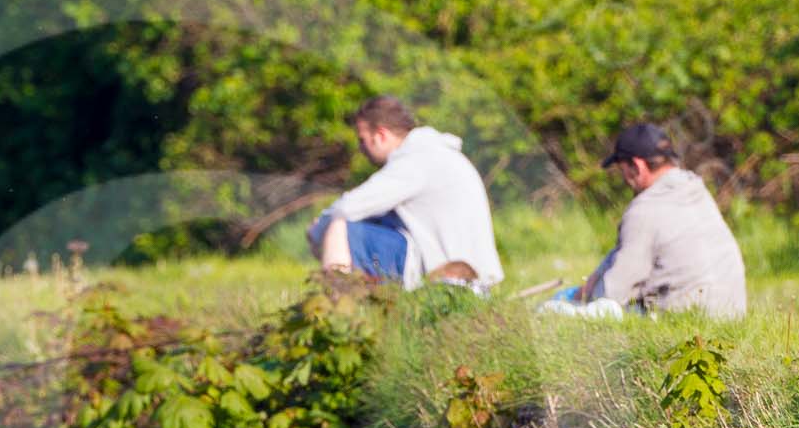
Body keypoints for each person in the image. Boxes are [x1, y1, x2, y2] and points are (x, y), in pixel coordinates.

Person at [544, 123, 746, 320]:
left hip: (688, 319)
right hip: (732, 314)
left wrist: (577, 295)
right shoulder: (696, 189)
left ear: (637, 166)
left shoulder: (644, 210)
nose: (623, 177)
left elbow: (612, 292)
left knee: (553, 311)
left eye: (621, 168)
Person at [308, 96, 504, 290]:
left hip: (449, 277)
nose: (361, 149)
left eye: (362, 140)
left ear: (381, 135)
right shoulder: (437, 152)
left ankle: (335, 309)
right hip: (470, 274)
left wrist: (317, 233)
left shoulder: (415, 160)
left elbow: (347, 207)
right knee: (366, 222)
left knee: (340, 225)